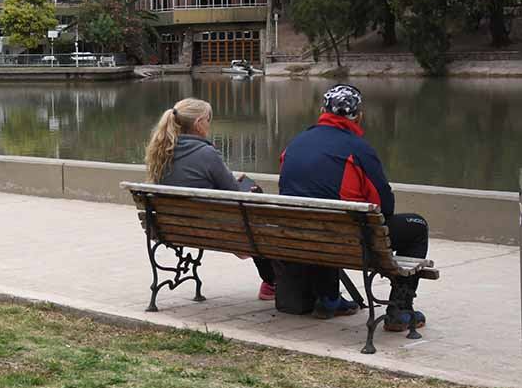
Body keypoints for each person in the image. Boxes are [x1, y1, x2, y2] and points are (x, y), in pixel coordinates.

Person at [279, 84, 429, 329]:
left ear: (321, 110)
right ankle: (399, 310)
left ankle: (328, 299)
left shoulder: (295, 143)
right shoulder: (359, 149)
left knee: (322, 222)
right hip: (348, 238)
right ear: (359, 116)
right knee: (417, 226)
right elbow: (385, 206)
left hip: (302, 234)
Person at [145, 97, 276, 301]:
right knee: (254, 198)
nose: (209, 124)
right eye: (208, 119)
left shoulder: (161, 152)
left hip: (175, 228)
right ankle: (272, 282)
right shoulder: (206, 152)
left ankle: (271, 281)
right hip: (215, 229)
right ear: (198, 124)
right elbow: (236, 194)